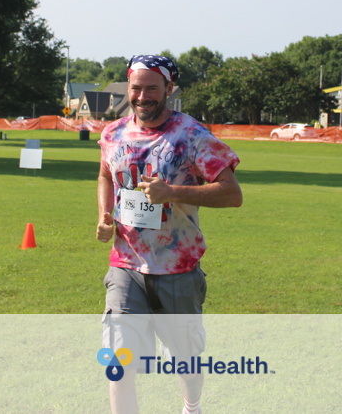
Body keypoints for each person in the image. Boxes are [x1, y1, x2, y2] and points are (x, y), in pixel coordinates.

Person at [96, 54, 242, 414]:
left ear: (169, 89)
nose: (142, 96)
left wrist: (172, 192)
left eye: (152, 88)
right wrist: (104, 214)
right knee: (119, 360)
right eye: (136, 88)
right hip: (126, 265)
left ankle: (191, 406)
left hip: (178, 270)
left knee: (185, 362)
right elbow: (105, 174)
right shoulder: (113, 133)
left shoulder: (190, 135)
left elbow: (232, 194)